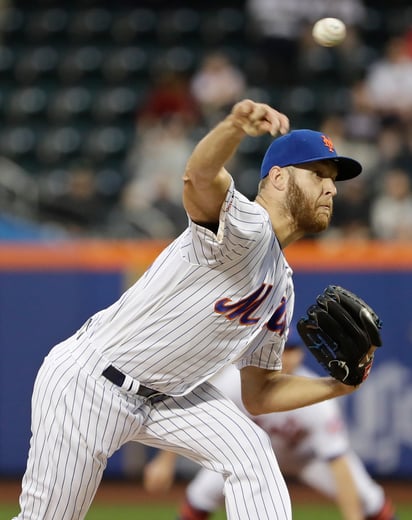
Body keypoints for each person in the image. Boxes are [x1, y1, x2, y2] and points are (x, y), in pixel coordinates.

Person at [13, 99, 370, 520]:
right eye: (319, 175)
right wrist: (234, 126)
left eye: (333, 180)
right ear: (277, 178)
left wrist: (338, 387)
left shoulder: (282, 286)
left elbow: (259, 393)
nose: (331, 188)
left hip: (171, 398)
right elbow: (198, 176)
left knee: (251, 452)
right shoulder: (246, 226)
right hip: (92, 382)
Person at [143, 329, 398, 520]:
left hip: (306, 458)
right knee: (200, 494)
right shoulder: (236, 380)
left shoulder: (316, 396)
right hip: (249, 455)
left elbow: (339, 462)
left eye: (293, 350)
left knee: (368, 497)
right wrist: (164, 461)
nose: (287, 357)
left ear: (302, 354)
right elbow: (194, 411)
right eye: (283, 348)